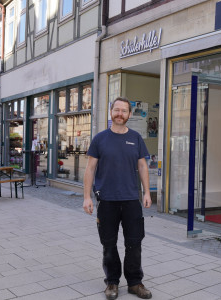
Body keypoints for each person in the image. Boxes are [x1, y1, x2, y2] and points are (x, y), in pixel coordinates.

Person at [83, 97, 152, 300]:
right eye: (117, 110)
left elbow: (142, 166)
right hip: (107, 200)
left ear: (129, 114)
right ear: (111, 112)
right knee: (109, 243)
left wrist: (147, 192)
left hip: (131, 200)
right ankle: (112, 282)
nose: (120, 114)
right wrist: (86, 197)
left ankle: (135, 283)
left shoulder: (136, 138)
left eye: (124, 111)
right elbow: (90, 168)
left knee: (134, 242)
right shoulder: (100, 139)